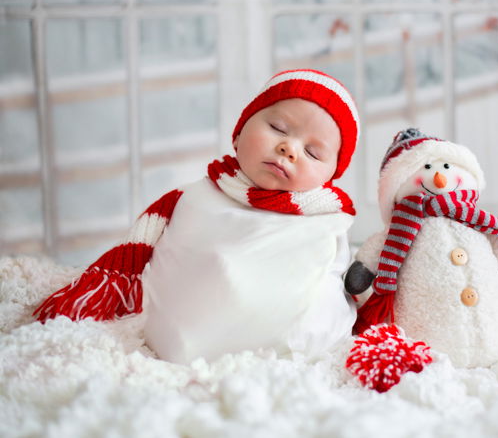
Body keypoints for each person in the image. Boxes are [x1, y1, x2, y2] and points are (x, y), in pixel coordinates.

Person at [34, 69, 360, 364]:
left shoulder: (326, 220)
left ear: (330, 174)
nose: (289, 148)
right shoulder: (195, 199)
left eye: (313, 152)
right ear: (238, 133)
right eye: (277, 127)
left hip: (279, 356)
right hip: (172, 341)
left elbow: (336, 285)